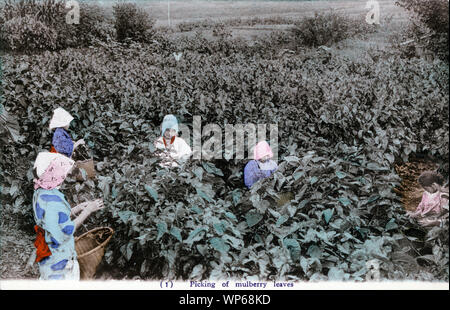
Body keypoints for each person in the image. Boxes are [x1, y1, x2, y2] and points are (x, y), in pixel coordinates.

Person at [32, 152, 104, 280]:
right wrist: (88, 210)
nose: (64, 176)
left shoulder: (42, 191)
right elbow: (66, 230)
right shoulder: (52, 201)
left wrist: (77, 208)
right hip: (59, 258)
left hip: (47, 252)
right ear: (53, 174)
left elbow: (53, 218)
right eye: (61, 173)